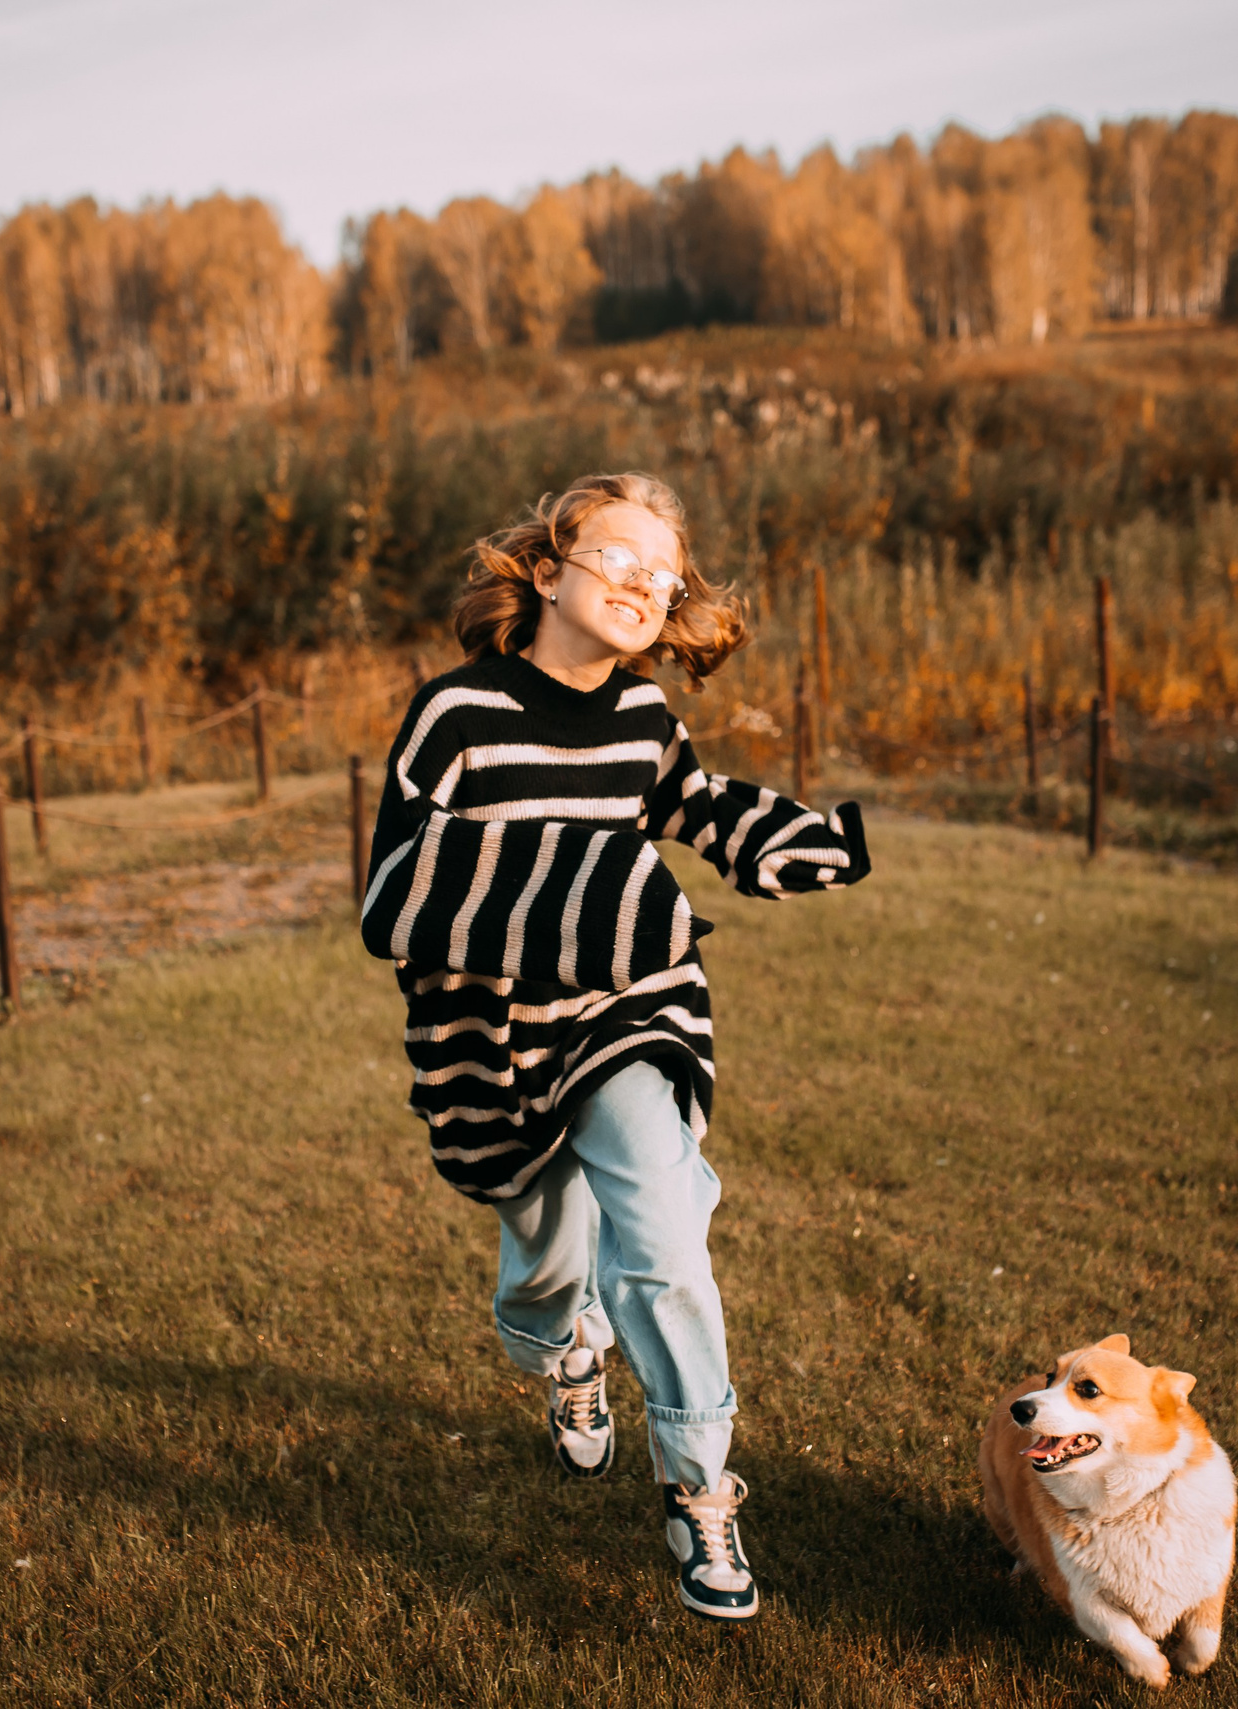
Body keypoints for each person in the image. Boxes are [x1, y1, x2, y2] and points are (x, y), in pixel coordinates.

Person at [360, 471, 870, 1620]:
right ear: (547, 573)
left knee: (670, 1246)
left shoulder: (644, 719)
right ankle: (565, 1352)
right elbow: (394, 892)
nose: (648, 582)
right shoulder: (455, 716)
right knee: (545, 1267)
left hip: (630, 1014)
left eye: (666, 572)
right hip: (491, 1041)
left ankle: (700, 1491)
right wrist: (575, 886)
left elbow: (692, 805)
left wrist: (788, 839)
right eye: (620, 556)